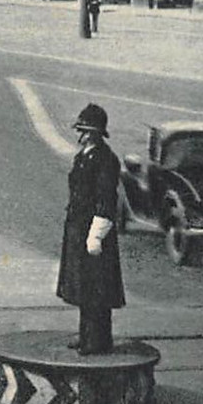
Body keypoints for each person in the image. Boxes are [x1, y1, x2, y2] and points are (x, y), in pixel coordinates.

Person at [56, 103, 125, 355]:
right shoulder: (84, 156)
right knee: (85, 287)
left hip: (94, 232)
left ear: (95, 133)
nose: (81, 136)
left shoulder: (106, 160)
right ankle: (87, 335)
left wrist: (96, 235)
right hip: (79, 228)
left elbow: (106, 199)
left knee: (97, 290)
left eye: (84, 131)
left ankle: (97, 341)